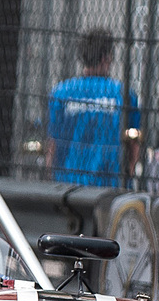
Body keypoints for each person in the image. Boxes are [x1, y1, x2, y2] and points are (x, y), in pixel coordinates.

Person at [46, 28, 140, 186]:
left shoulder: (62, 92)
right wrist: (128, 175)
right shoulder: (123, 94)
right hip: (109, 185)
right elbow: (133, 142)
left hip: (67, 183)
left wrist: (50, 176)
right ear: (106, 58)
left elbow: (52, 143)